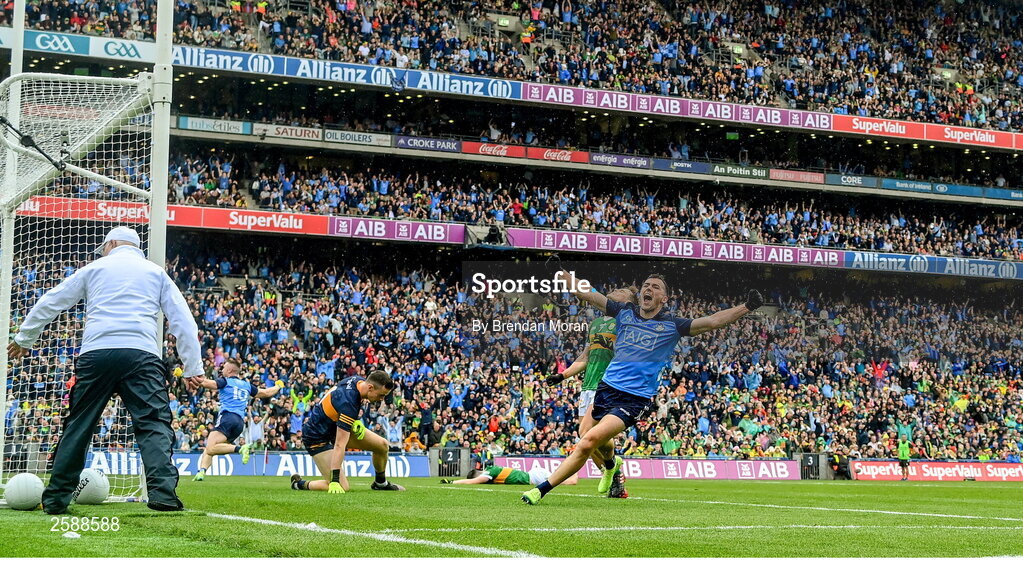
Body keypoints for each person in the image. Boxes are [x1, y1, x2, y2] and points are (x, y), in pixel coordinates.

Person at [522, 271, 763, 505]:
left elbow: (712, 322)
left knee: (588, 442)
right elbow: (589, 294)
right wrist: (563, 275)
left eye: (655, 287)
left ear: (664, 299)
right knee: (587, 435)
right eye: (646, 285)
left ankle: (540, 490)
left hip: (633, 399)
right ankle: (611, 466)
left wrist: (747, 306)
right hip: (606, 388)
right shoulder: (624, 312)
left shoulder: (672, 325)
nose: (648, 289)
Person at [7, 226, 203, 514]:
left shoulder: (95, 268)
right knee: (152, 423)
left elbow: (51, 300)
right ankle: (162, 494)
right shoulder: (155, 273)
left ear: (111, 243)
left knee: (79, 424)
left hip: (96, 353)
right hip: (142, 355)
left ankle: (56, 498)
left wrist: (25, 338)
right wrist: (192, 367)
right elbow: (183, 321)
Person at [545, 286, 637, 498]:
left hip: (609, 384)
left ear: (628, 302)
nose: (616, 290)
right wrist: (563, 375)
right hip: (588, 385)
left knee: (589, 435)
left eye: (622, 290)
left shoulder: (628, 323)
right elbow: (585, 357)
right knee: (584, 436)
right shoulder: (596, 324)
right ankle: (612, 474)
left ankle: (612, 468)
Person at [290, 370, 405, 492]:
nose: (381, 399)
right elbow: (340, 444)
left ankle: (380, 483)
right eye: (381, 395)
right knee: (342, 487)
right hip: (317, 437)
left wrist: (353, 421)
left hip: (333, 426)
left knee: (382, 445)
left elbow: (335, 400)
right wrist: (335, 480)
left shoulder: (357, 381)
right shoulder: (348, 403)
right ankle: (299, 484)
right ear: (370, 387)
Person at [191, 358, 284, 481]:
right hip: (239, 423)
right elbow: (267, 393)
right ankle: (201, 472)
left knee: (210, 447)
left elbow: (204, 383)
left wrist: (183, 374)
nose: (222, 370)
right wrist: (278, 386)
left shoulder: (225, 381)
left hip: (227, 417)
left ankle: (241, 448)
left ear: (229, 370)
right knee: (214, 448)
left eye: (224, 368)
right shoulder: (246, 385)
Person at [441, 466, 573, 486]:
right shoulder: (492, 470)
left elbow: (474, 481)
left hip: (533, 476)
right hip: (533, 474)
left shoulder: (489, 472)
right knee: (559, 479)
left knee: (565, 482)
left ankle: (574, 470)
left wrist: (453, 482)